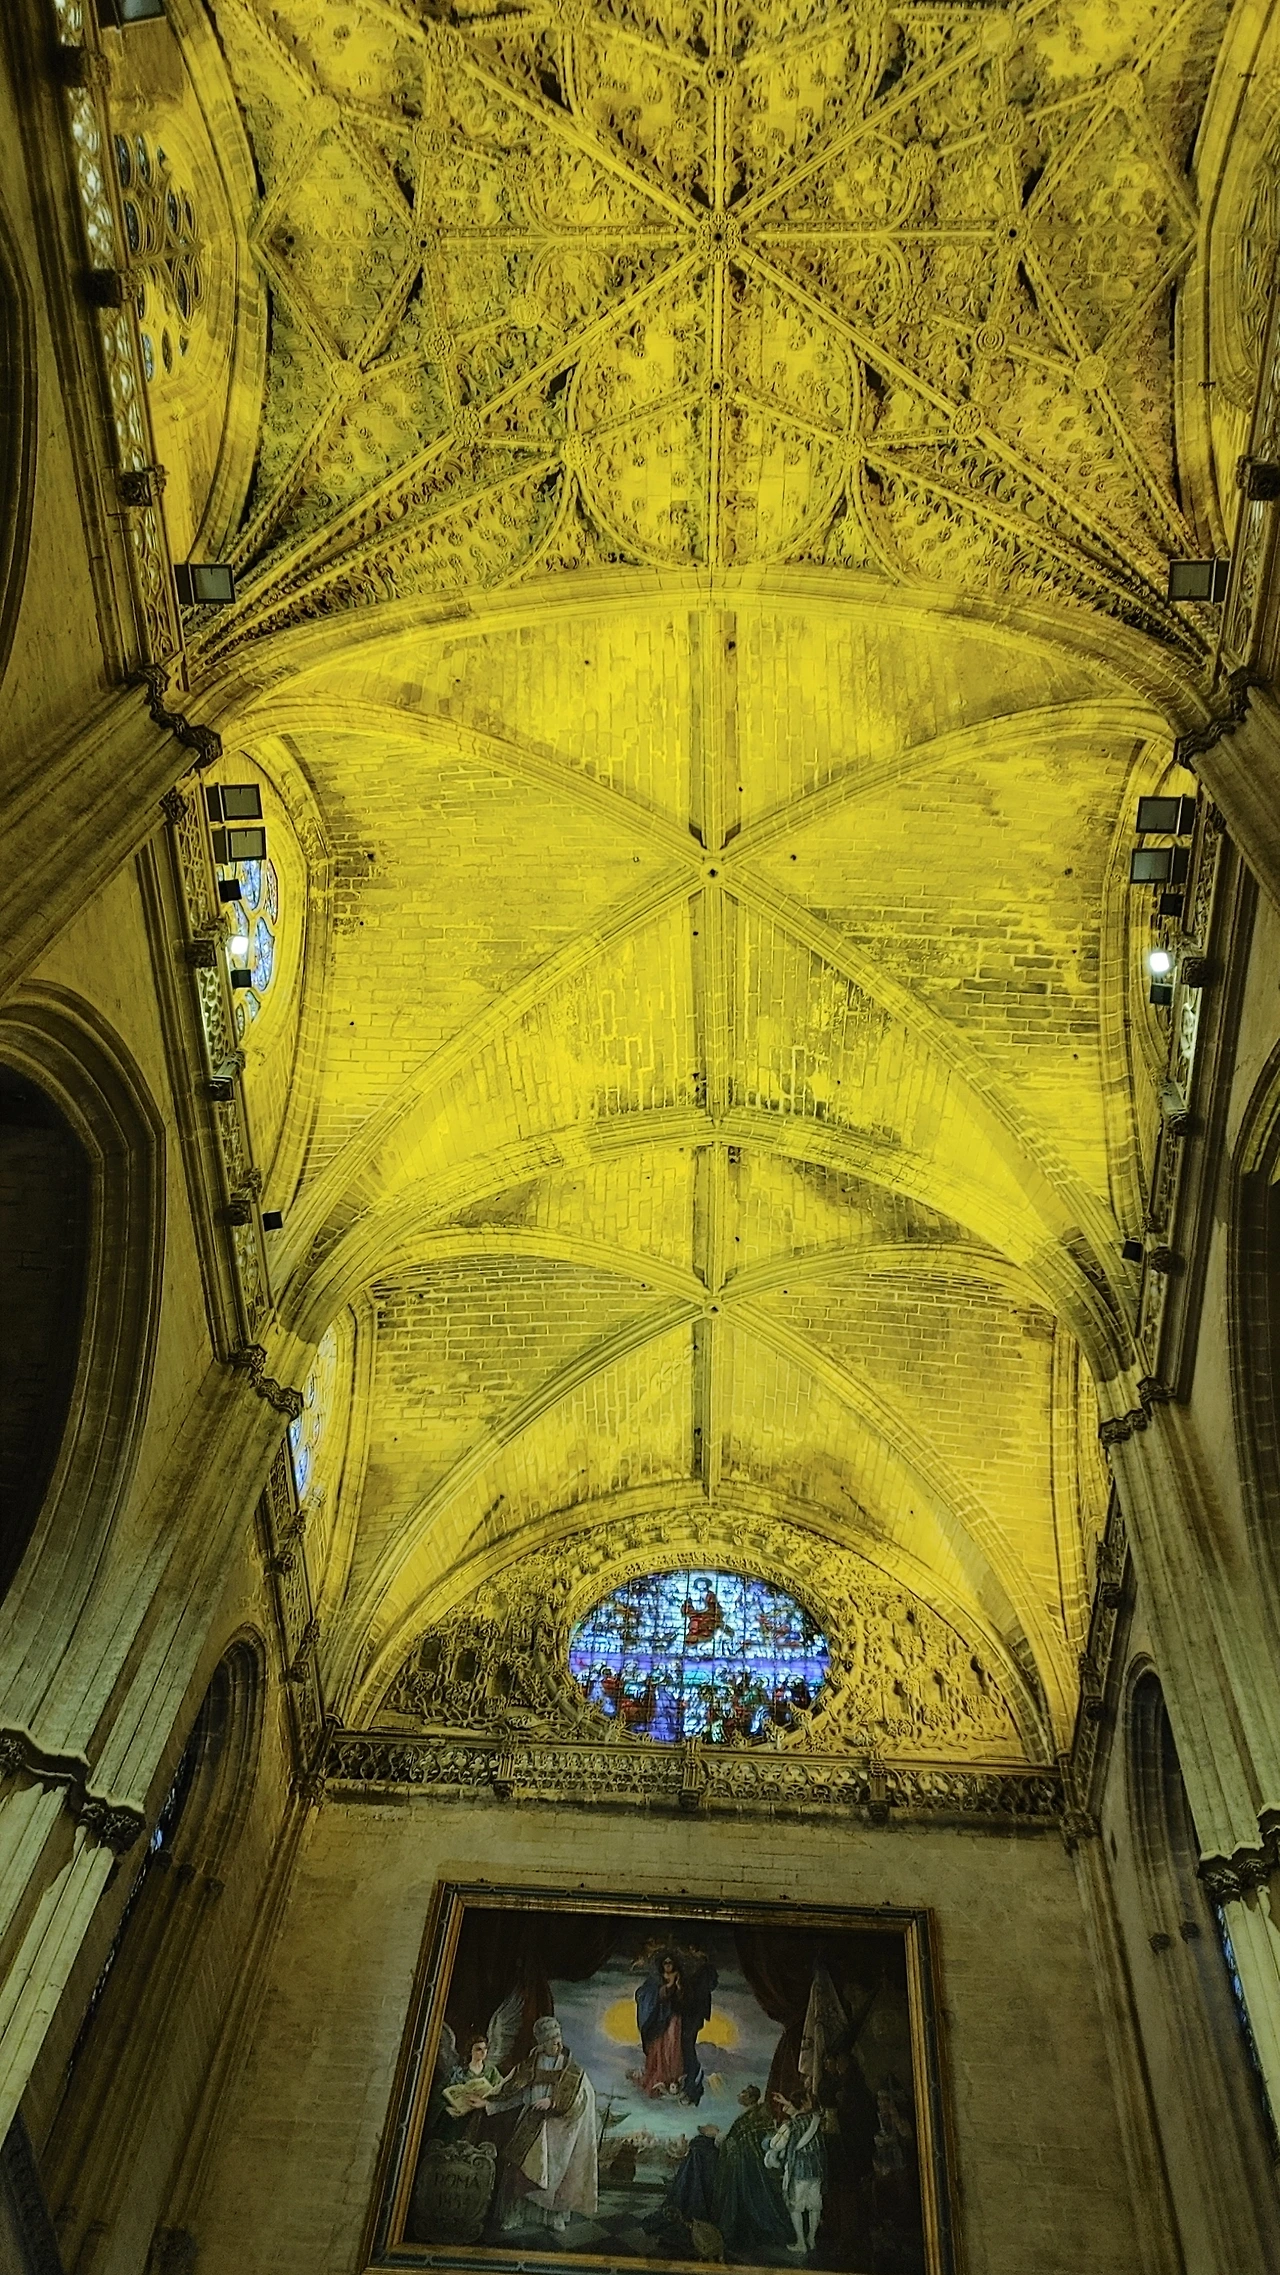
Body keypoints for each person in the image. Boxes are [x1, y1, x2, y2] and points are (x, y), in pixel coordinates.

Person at [488, 2014, 598, 2232]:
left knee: (556, 2175)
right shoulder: (528, 2066)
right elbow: (512, 2092)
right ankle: (517, 2214)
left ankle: (552, 2217)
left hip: (559, 2131)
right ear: (542, 2043)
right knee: (521, 2172)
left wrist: (553, 2102)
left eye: (559, 2039)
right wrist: (487, 2103)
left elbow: (583, 2097)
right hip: (530, 2124)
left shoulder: (573, 2071)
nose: (558, 2044)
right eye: (553, 2040)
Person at [713, 2085, 793, 2255]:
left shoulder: (750, 2117)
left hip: (747, 2164)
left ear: (750, 2098)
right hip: (750, 2161)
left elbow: (737, 2141)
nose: (739, 2095)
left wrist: (719, 2138)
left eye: (743, 2093)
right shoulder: (755, 2114)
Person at [765, 2091, 826, 2256]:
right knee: (814, 2206)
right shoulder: (815, 2120)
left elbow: (775, 2145)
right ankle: (812, 2239)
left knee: (795, 2207)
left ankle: (801, 2243)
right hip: (816, 2170)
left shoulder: (790, 2126)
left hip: (798, 2171)